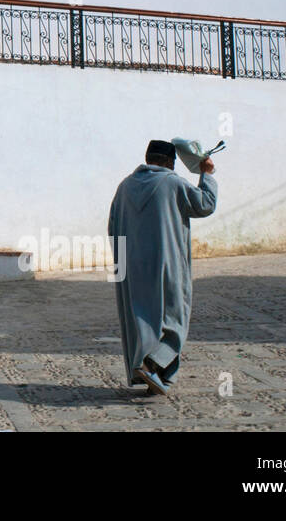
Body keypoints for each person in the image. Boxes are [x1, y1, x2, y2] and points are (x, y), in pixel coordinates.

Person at [107, 139, 218, 396]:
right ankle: (154, 362)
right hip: (167, 264)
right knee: (175, 317)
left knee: (143, 319)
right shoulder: (172, 182)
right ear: (169, 162)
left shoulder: (124, 187)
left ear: (147, 159)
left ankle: (154, 376)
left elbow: (112, 226)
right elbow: (205, 204)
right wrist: (207, 174)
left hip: (132, 266)